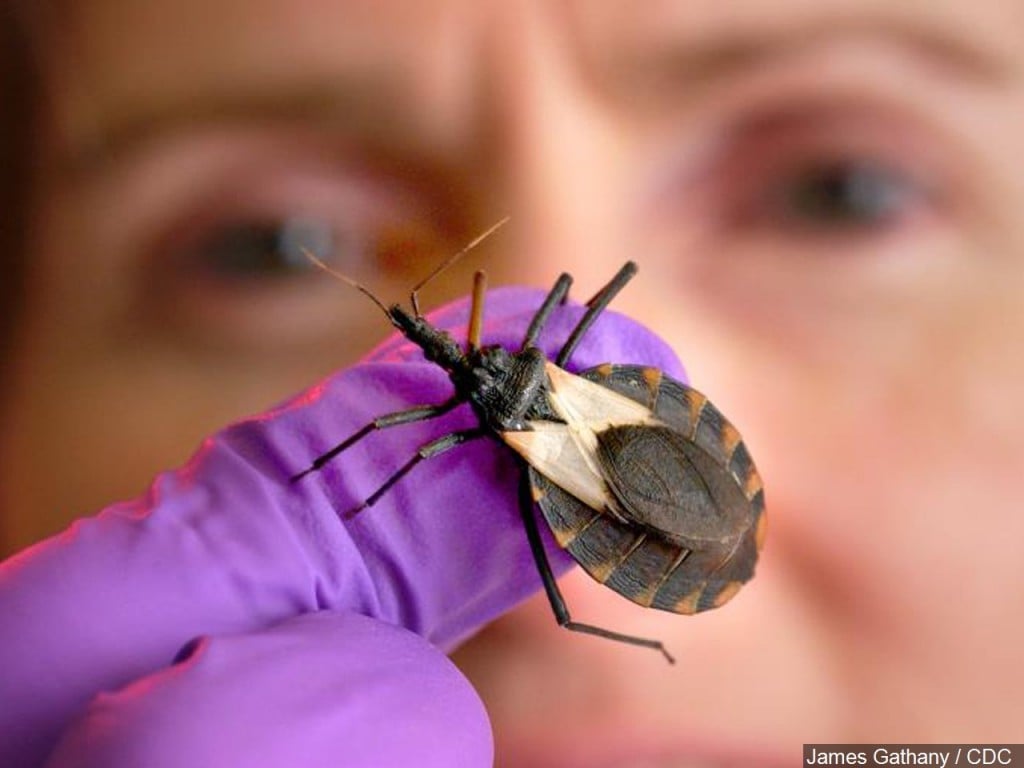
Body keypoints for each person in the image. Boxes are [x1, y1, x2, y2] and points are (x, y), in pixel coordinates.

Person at [2, 2, 1023, 765]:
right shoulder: (490, 394)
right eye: (272, 244)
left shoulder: (477, 411)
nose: (529, 615)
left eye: (841, 191)